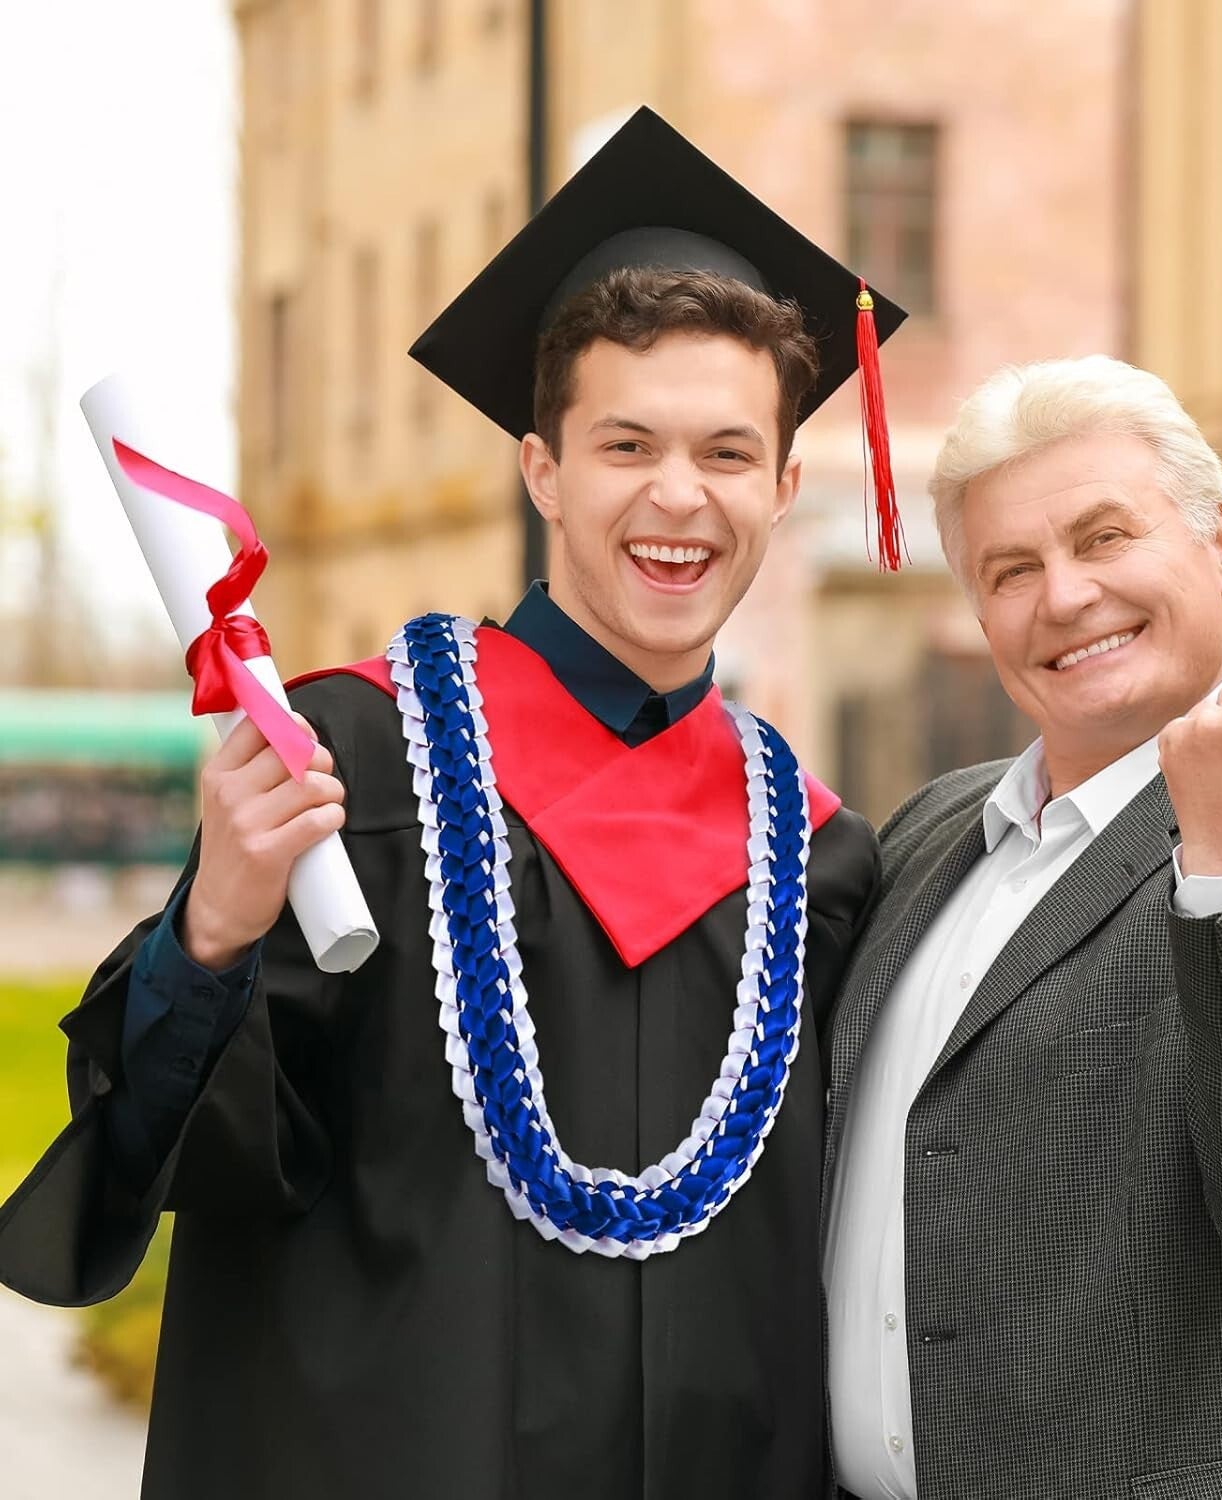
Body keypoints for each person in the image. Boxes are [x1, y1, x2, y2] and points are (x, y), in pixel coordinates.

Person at [0, 108, 905, 1500]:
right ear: (542, 469)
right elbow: (160, 1162)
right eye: (625, 445)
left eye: (729, 454)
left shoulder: (820, 856)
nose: (680, 497)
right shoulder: (349, 765)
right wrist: (218, 935)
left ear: (786, 487)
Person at [822, 355, 1222, 1500]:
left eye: (1105, 539)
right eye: (1012, 570)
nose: (1062, 597)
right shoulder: (926, 834)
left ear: (1221, 547)